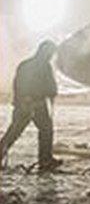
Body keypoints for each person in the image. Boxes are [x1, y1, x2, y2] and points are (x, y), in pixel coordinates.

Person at [0, 40, 60, 171]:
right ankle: (45, 160)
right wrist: (51, 92)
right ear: (45, 52)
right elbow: (48, 87)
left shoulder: (25, 65)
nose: (51, 56)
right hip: (33, 104)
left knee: (15, 132)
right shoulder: (43, 66)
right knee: (44, 130)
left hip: (27, 104)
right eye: (51, 53)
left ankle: (46, 160)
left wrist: (19, 101)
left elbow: (17, 85)